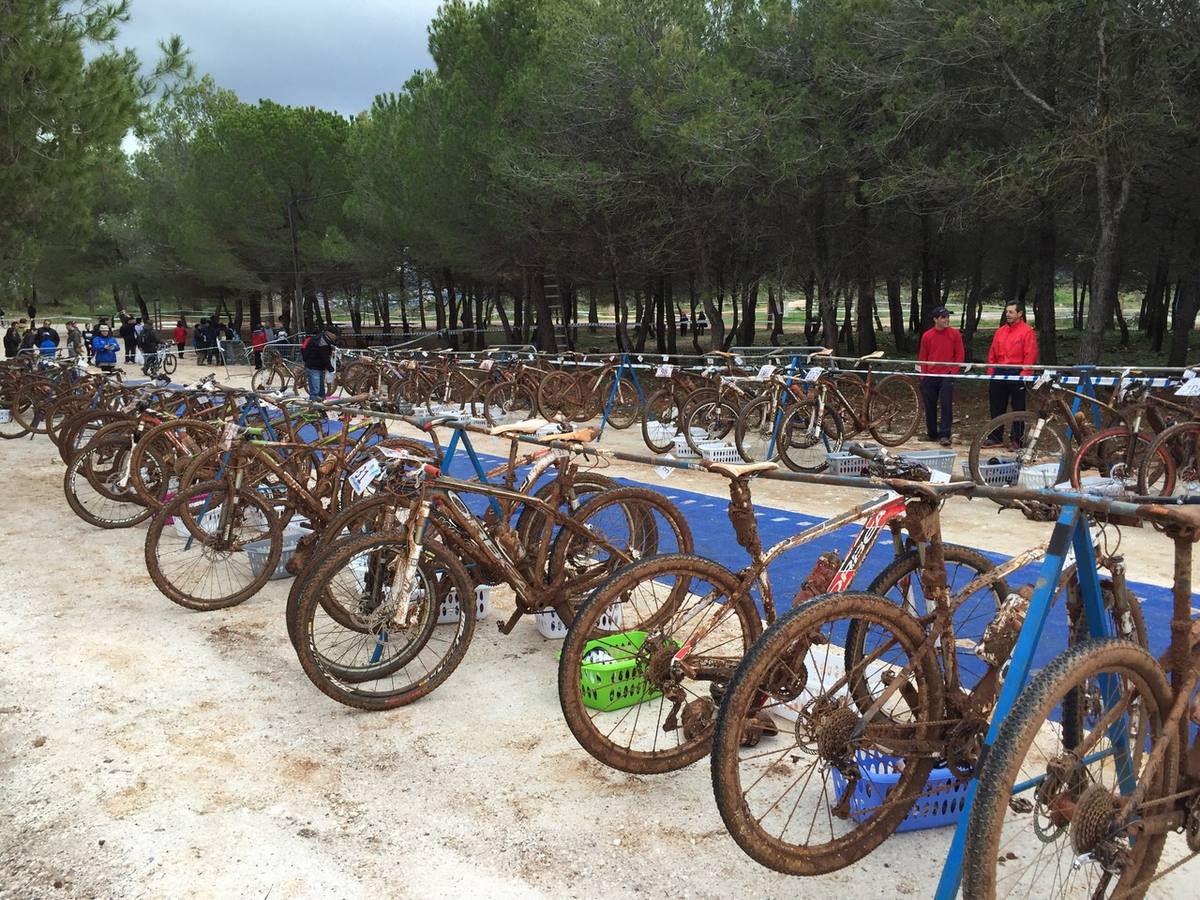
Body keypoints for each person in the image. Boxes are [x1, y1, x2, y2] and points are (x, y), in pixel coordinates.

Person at [985, 301, 1039, 448]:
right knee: (996, 407)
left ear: (1020, 314)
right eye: (1006, 312)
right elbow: (992, 353)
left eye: (1011, 312)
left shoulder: (1027, 331)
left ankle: (1017, 439)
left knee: (1018, 408)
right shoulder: (1000, 331)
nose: (1007, 314)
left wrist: (1024, 374)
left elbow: (1030, 354)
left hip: (1017, 373)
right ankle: (995, 437)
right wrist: (991, 371)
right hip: (999, 372)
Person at [918, 306, 964, 447]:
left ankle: (944, 434)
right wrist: (923, 375)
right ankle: (932, 433)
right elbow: (923, 356)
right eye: (943, 317)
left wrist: (953, 372)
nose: (946, 320)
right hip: (930, 375)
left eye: (947, 317)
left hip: (946, 375)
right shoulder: (927, 335)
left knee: (946, 405)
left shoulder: (954, 334)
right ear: (935, 319)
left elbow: (960, 354)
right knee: (929, 405)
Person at [301, 323, 338, 401]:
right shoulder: (322, 341)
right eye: (335, 334)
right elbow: (324, 356)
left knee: (321, 391)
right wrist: (331, 369)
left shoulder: (324, 338)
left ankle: (321, 408)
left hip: (318, 367)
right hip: (313, 367)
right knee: (315, 391)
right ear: (329, 333)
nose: (336, 337)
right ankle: (313, 409)